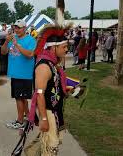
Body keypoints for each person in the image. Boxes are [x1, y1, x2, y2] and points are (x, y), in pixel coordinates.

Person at [25, 25, 72, 156]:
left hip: (55, 109)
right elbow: (39, 94)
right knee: (52, 145)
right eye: (64, 47)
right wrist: (44, 119)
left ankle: (31, 152)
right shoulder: (44, 66)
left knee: (50, 139)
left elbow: (53, 85)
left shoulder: (53, 63)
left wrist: (64, 90)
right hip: (49, 111)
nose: (66, 50)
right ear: (53, 47)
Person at [1, 20, 36, 129]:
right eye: (15, 28)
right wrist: (6, 42)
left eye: (19, 28)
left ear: (25, 28)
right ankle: (30, 117)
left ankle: (20, 122)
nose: (16, 30)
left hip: (24, 74)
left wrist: (17, 45)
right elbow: (3, 52)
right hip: (15, 74)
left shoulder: (31, 40)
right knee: (22, 97)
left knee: (19, 98)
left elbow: (30, 55)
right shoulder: (12, 39)